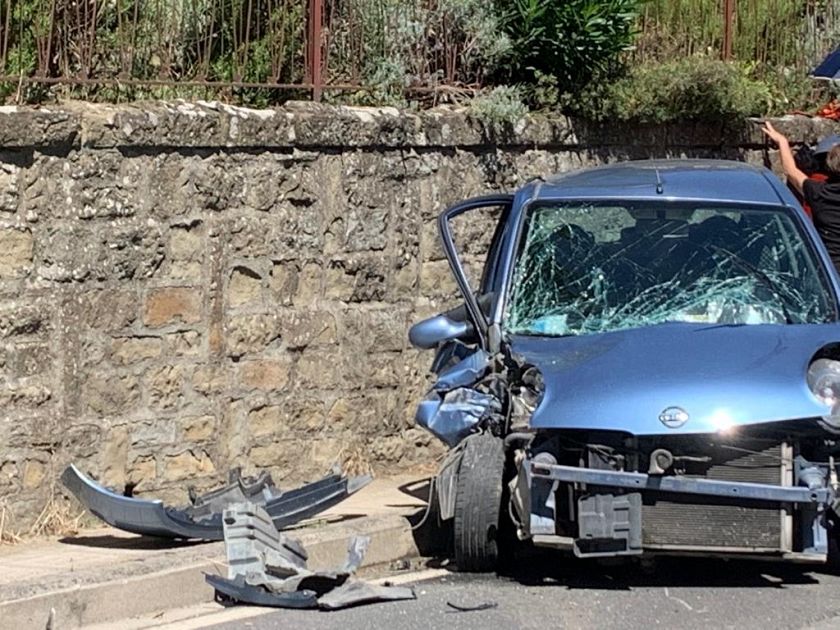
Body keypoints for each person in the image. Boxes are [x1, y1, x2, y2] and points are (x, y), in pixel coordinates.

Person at [762, 121, 840, 273]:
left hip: (829, 272)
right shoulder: (818, 190)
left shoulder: (819, 192)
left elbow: (791, 171)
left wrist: (782, 142)